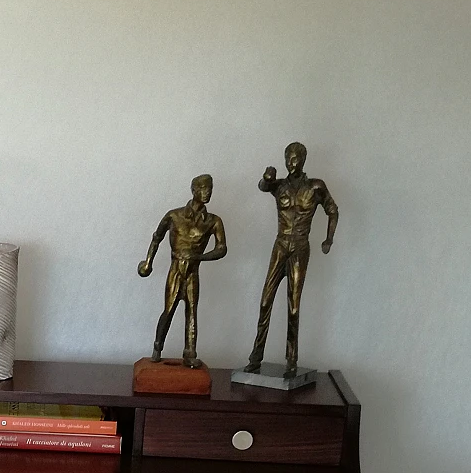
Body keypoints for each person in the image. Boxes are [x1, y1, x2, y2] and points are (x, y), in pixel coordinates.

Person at [245, 142, 338, 377]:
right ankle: (256, 357)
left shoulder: (315, 186)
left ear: (304, 159)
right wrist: (267, 177)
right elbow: (263, 186)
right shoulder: (279, 186)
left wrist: (329, 240)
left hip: (299, 247)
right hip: (280, 245)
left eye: (295, 158)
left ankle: (292, 360)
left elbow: (333, 210)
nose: (291, 163)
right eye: (288, 158)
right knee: (265, 300)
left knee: (293, 307)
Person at [138, 175, 228, 368]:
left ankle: (190, 353)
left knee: (192, 312)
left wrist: (199, 257)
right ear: (193, 190)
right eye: (204, 188)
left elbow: (222, 249)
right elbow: (157, 237)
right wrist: (148, 262)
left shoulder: (213, 221)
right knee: (169, 310)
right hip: (176, 270)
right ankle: (157, 347)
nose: (208, 192)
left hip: (193, 271)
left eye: (210, 188)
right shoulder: (174, 216)